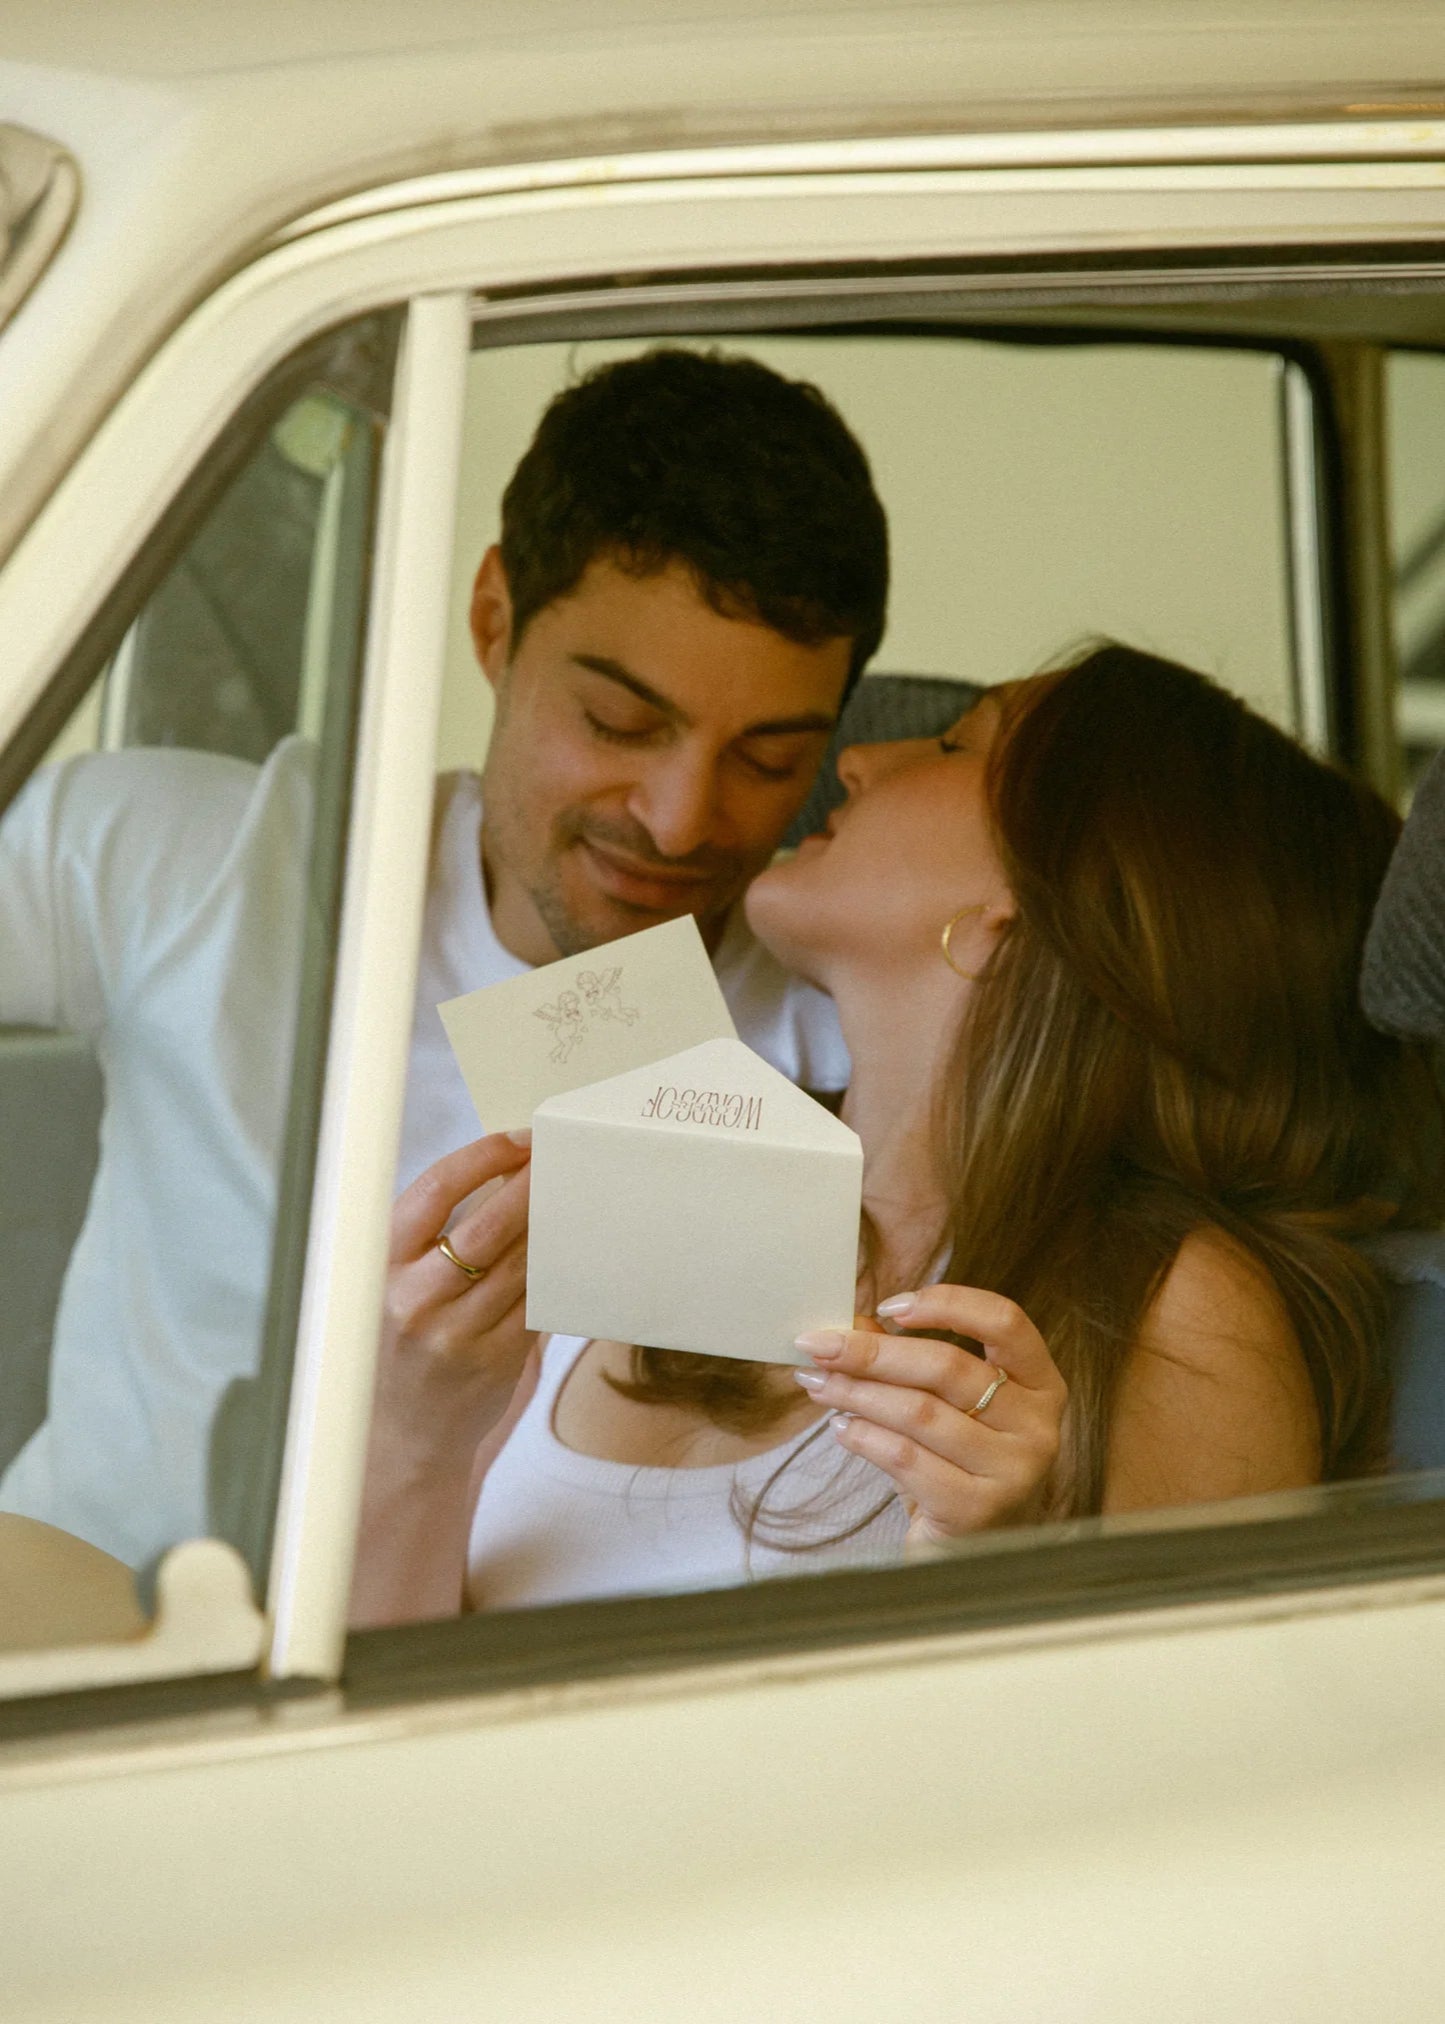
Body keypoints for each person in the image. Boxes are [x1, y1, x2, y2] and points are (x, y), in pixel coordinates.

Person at [0, 347, 889, 1569]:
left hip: (483, 1662)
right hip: (87, 1609)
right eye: (618, 723)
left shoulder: (847, 1046)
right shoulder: (204, 858)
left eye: (768, 758)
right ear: (492, 621)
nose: (682, 819)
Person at [353, 643, 1445, 1625]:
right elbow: (385, 1705)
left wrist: (985, 1568)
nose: (861, 758)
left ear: (1015, 912)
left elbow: (1190, 1755)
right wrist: (415, 1434)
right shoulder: (657, 1178)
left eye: (956, 743)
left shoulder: (1166, 1306)